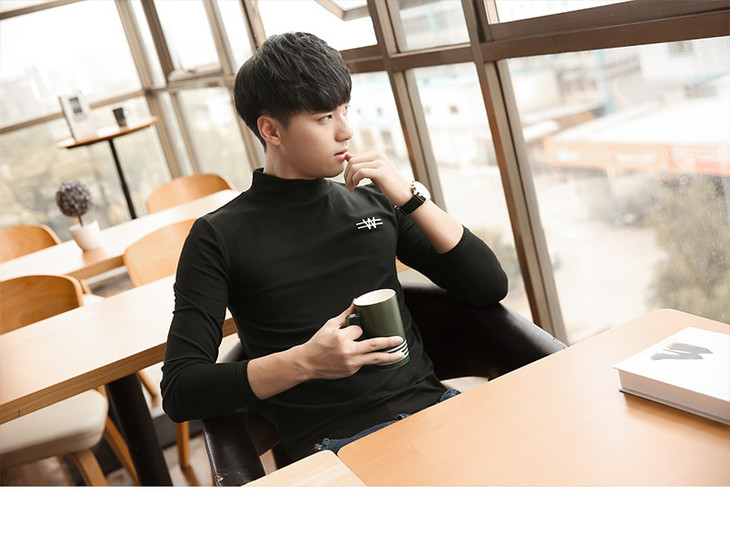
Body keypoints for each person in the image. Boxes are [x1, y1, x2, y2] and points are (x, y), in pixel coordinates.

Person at [160, 32, 508, 462]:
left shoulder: (375, 200)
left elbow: (487, 286)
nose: (346, 131)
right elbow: (180, 390)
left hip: (437, 413)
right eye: (325, 117)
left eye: (345, 109)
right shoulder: (216, 237)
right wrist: (304, 362)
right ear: (271, 130)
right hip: (335, 451)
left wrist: (411, 198)